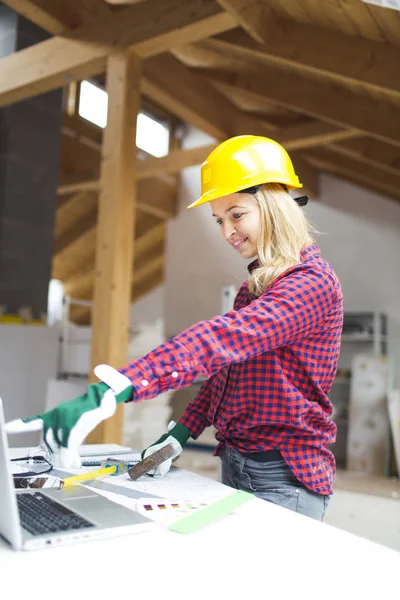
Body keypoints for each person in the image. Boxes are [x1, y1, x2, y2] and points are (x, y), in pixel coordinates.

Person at [6, 135, 343, 520]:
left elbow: (220, 340)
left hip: (284, 478)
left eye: (236, 214)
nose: (226, 231)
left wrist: (116, 389)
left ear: (273, 205)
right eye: (219, 220)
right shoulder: (257, 288)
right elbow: (226, 376)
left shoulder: (312, 284)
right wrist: (180, 433)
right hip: (238, 462)